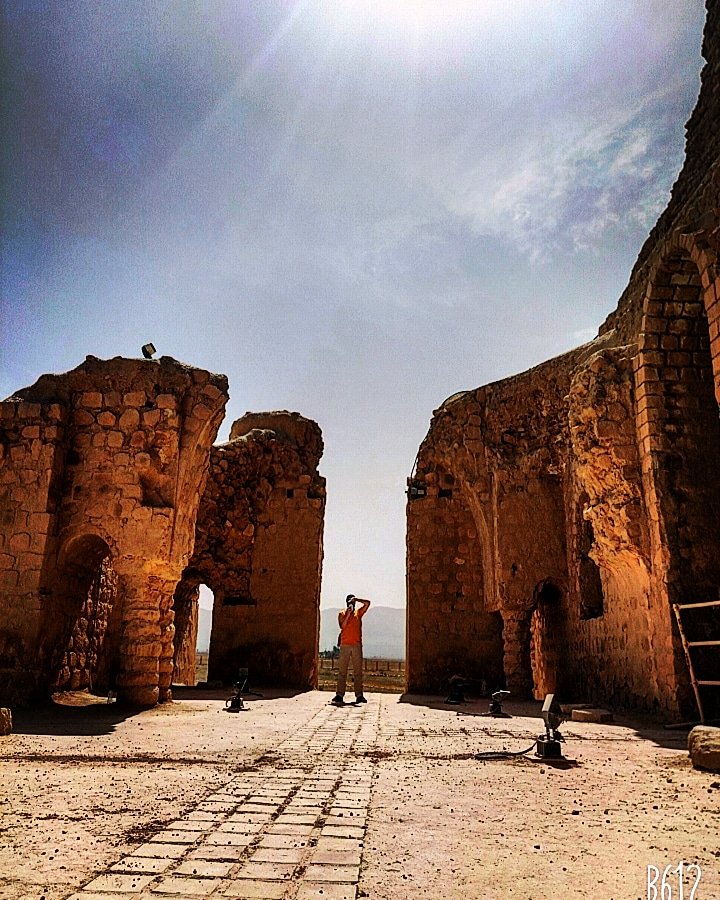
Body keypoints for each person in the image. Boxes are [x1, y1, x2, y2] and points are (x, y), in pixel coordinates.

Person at [331, 593, 371, 704]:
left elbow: (368, 603)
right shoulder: (342, 614)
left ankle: (359, 695)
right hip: (345, 645)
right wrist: (348, 614)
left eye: (353, 602)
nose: (351, 603)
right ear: (346, 602)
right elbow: (342, 626)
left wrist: (357, 599)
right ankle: (339, 695)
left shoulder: (358, 613)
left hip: (356, 645)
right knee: (342, 671)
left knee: (358, 671)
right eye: (350, 601)